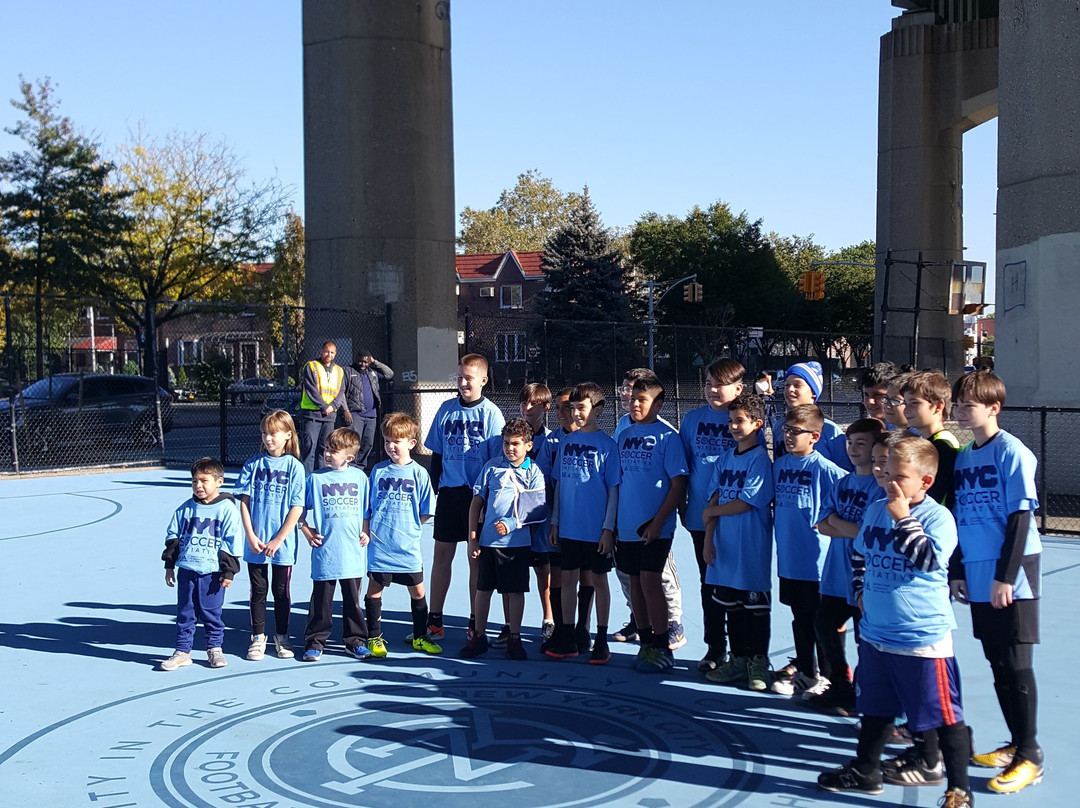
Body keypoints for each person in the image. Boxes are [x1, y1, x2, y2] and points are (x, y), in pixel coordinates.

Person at [818, 437, 973, 808]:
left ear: (925, 482)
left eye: (899, 476)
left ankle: (959, 791)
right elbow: (860, 554)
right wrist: (859, 591)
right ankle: (867, 769)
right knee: (875, 708)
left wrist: (903, 517)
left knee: (944, 716)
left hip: (919, 639)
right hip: (875, 633)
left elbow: (927, 561)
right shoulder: (874, 509)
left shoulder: (939, 519)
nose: (889, 483)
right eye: (885, 473)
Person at [951, 370, 1044, 794]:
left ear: (994, 407)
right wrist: (957, 569)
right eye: (959, 403)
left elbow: (1021, 517)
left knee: (1016, 663)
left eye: (969, 404)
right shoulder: (967, 455)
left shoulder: (1013, 453)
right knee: (996, 663)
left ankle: (1030, 755)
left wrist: (1006, 578)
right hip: (977, 567)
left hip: (1011, 572)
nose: (961, 411)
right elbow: (961, 518)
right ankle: (1015, 744)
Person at [679, 358, 763, 671]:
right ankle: (716, 649)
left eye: (721, 384)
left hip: (738, 521)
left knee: (739, 587)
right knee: (709, 584)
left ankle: (746, 653)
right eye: (709, 383)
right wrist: (685, 509)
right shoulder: (691, 419)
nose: (713, 390)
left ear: (739, 388)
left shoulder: (744, 421)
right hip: (701, 520)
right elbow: (685, 468)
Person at [423, 353, 505, 640]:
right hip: (449, 494)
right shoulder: (445, 410)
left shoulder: (492, 414)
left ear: (483, 380)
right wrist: (438, 490)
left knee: (475, 559)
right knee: (441, 556)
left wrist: (487, 504)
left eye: (468, 378)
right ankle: (435, 621)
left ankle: (475, 620)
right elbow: (437, 456)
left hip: (477, 498)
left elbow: (497, 463)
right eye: (459, 377)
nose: (462, 383)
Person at [809, 417, 887, 714]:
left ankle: (866, 695)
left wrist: (841, 524)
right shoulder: (842, 482)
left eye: (861, 444)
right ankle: (839, 684)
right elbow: (823, 524)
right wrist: (847, 526)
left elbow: (868, 532)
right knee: (824, 625)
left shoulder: (880, 489)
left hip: (865, 577)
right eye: (850, 443)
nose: (853, 449)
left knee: (864, 638)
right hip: (835, 576)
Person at [771, 403, 847, 696]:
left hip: (817, 562)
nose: (789, 437)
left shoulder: (828, 470)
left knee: (822, 621)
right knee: (799, 617)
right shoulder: (778, 466)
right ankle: (805, 672)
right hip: (789, 559)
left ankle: (828, 677)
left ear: (815, 437)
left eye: (796, 432)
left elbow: (845, 501)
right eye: (786, 431)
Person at [700, 393, 774, 691]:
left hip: (751, 548)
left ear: (757, 424)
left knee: (754, 609)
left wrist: (712, 511)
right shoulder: (726, 459)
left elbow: (745, 502)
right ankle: (738, 659)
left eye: (739, 421)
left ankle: (758, 663)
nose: (733, 426)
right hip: (725, 547)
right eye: (731, 421)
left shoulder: (760, 460)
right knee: (731, 607)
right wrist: (708, 538)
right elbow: (714, 496)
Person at [615, 377, 689, 673]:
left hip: (655, 525)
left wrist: (659, 522)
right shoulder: (623, 435)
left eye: (642, 400)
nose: (635, 404)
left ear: (658, 405)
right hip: (626, 524)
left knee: (650, 582)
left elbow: (678, 483)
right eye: (633, 398)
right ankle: (646, 643)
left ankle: (662, 644)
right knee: (634, 583)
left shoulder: (667, 437)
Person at [545, 382, 621, 664]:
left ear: (597, 410)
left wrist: (607, 529)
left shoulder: (608, 446)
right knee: (567, 580)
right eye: (572, 408)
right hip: (569, 528)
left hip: (596, 530)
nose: (576, 413)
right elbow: (561, 484)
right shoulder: (565, 443)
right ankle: (566, 635)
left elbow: (613, 489)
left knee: (599, 581)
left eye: (582, 408)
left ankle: (600, 639)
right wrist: (555, 522)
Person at [463, 418, 548, 660]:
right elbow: (477, 502)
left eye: (517, 444)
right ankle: (478, 637)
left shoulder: (534, 472)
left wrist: (512, 524)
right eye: (507, 443)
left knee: (514, 592)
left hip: (516, 545)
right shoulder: (491, 467)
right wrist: (473, 537)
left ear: (528, 446)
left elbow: (538, 508)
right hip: (488, 542)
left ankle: (514, 637)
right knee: (483, 590)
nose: (511, 448)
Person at [364, 412, 441, 657]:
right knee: (375, 589)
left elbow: (426, 510)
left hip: (406, 545)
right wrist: (368, 530)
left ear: (411, 443)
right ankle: (374, 637)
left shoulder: (418, 473)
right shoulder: (377, 471)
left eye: (396, 441)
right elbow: (368, 507)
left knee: (418, 591)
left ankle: (420, 637)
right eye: (387, 441)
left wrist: (410, 527)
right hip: (380, 545)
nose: (391, 446)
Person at [159, 457, 243, 671]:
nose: (199, 486)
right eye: (195, 481)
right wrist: (170, 565)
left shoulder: (227, 509)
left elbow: (231, 541)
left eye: (204, 481)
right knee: (185, 613)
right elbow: (173, 537)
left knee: (212, 613)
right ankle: (182, 651)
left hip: (212, 573)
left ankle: (214, 648)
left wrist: (228, 571)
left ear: (219, 482)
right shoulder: (185, 509)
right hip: (187, 571)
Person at [236, 410, 306, 662]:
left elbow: (297, 507)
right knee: (257, 590)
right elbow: (243, 502)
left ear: (288, 435)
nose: (268, 438)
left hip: (282, 545)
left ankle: (282, 636)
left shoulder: (295, 467)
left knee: (281, 590)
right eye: (264, 433)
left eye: (274, 433)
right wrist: (251, 535)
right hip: (255, 542)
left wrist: (279, 539)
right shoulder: (252, 465)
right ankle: (257, 637)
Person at [299, 427, 373, 661]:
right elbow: (298, 510)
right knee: (321, 602)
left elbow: (366, 510)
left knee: (352, 601)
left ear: (349, 458)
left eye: (334, 450)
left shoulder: (360, 478)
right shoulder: (315, 479)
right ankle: (315, 641)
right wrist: (306, 530)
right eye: (327, 449)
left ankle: (355, 641)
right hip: (325, 552)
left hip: (352, 552)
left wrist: (365, 530)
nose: (327, 454)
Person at [491, 383, 555, 649]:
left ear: (545, 407)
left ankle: (549, 620)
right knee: (511, 574)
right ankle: (509, 626)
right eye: (524, 403)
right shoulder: (507, 440)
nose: (528, 408)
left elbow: (551, 483)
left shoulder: (552, 440)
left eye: (534, 404)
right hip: (511, 522)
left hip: (539, 519)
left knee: (543, 569)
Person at [535, 387, 577, 652]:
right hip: (556, 522)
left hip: (586, 523)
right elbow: (543, 478)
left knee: (588, 578)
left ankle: (582, 632)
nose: (562, 413)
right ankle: (561, 630)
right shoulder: (551, 442)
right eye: (559, 407)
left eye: (568, 407)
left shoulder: (595, 440)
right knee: (558, 575)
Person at [771, 361, 852, 471]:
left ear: (813, 391)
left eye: (797, 385)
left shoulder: (830, 430)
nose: (790, 389)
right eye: (787, 385)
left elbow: (844, 471)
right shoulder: (779, 426)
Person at [901, 370, 960, 508]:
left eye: (914, 403)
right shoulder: (927, 442)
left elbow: (937, 493)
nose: (906, 409)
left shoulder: (943, 445)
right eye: (905, 402)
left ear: (938, 406)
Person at [341, 350, 394, 472]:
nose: (363, 364)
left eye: (365, 362)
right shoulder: (348, 371)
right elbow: (341, 392)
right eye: (360, 361)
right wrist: (346, 409)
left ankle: (360, 468)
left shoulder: (372, 373)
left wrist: (375, 362)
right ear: (356, 359)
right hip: (355, 414)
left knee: (368, 443)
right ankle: (350, 468)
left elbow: (389, 374)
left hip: (371, 415)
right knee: (354, 443)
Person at [299, 341, 347, 474]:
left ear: (335, 354)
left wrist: (333, 406)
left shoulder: (339, 370)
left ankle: (321, 476)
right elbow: (310, 389)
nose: (329, 355)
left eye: (332, 352)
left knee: (325, 449)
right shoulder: (311, 366)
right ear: (321, 351)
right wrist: (324, 406)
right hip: (312, 414)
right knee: (309, 448)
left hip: (329, 416)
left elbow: (340, 391)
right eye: (326, 351)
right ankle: (307, 479)